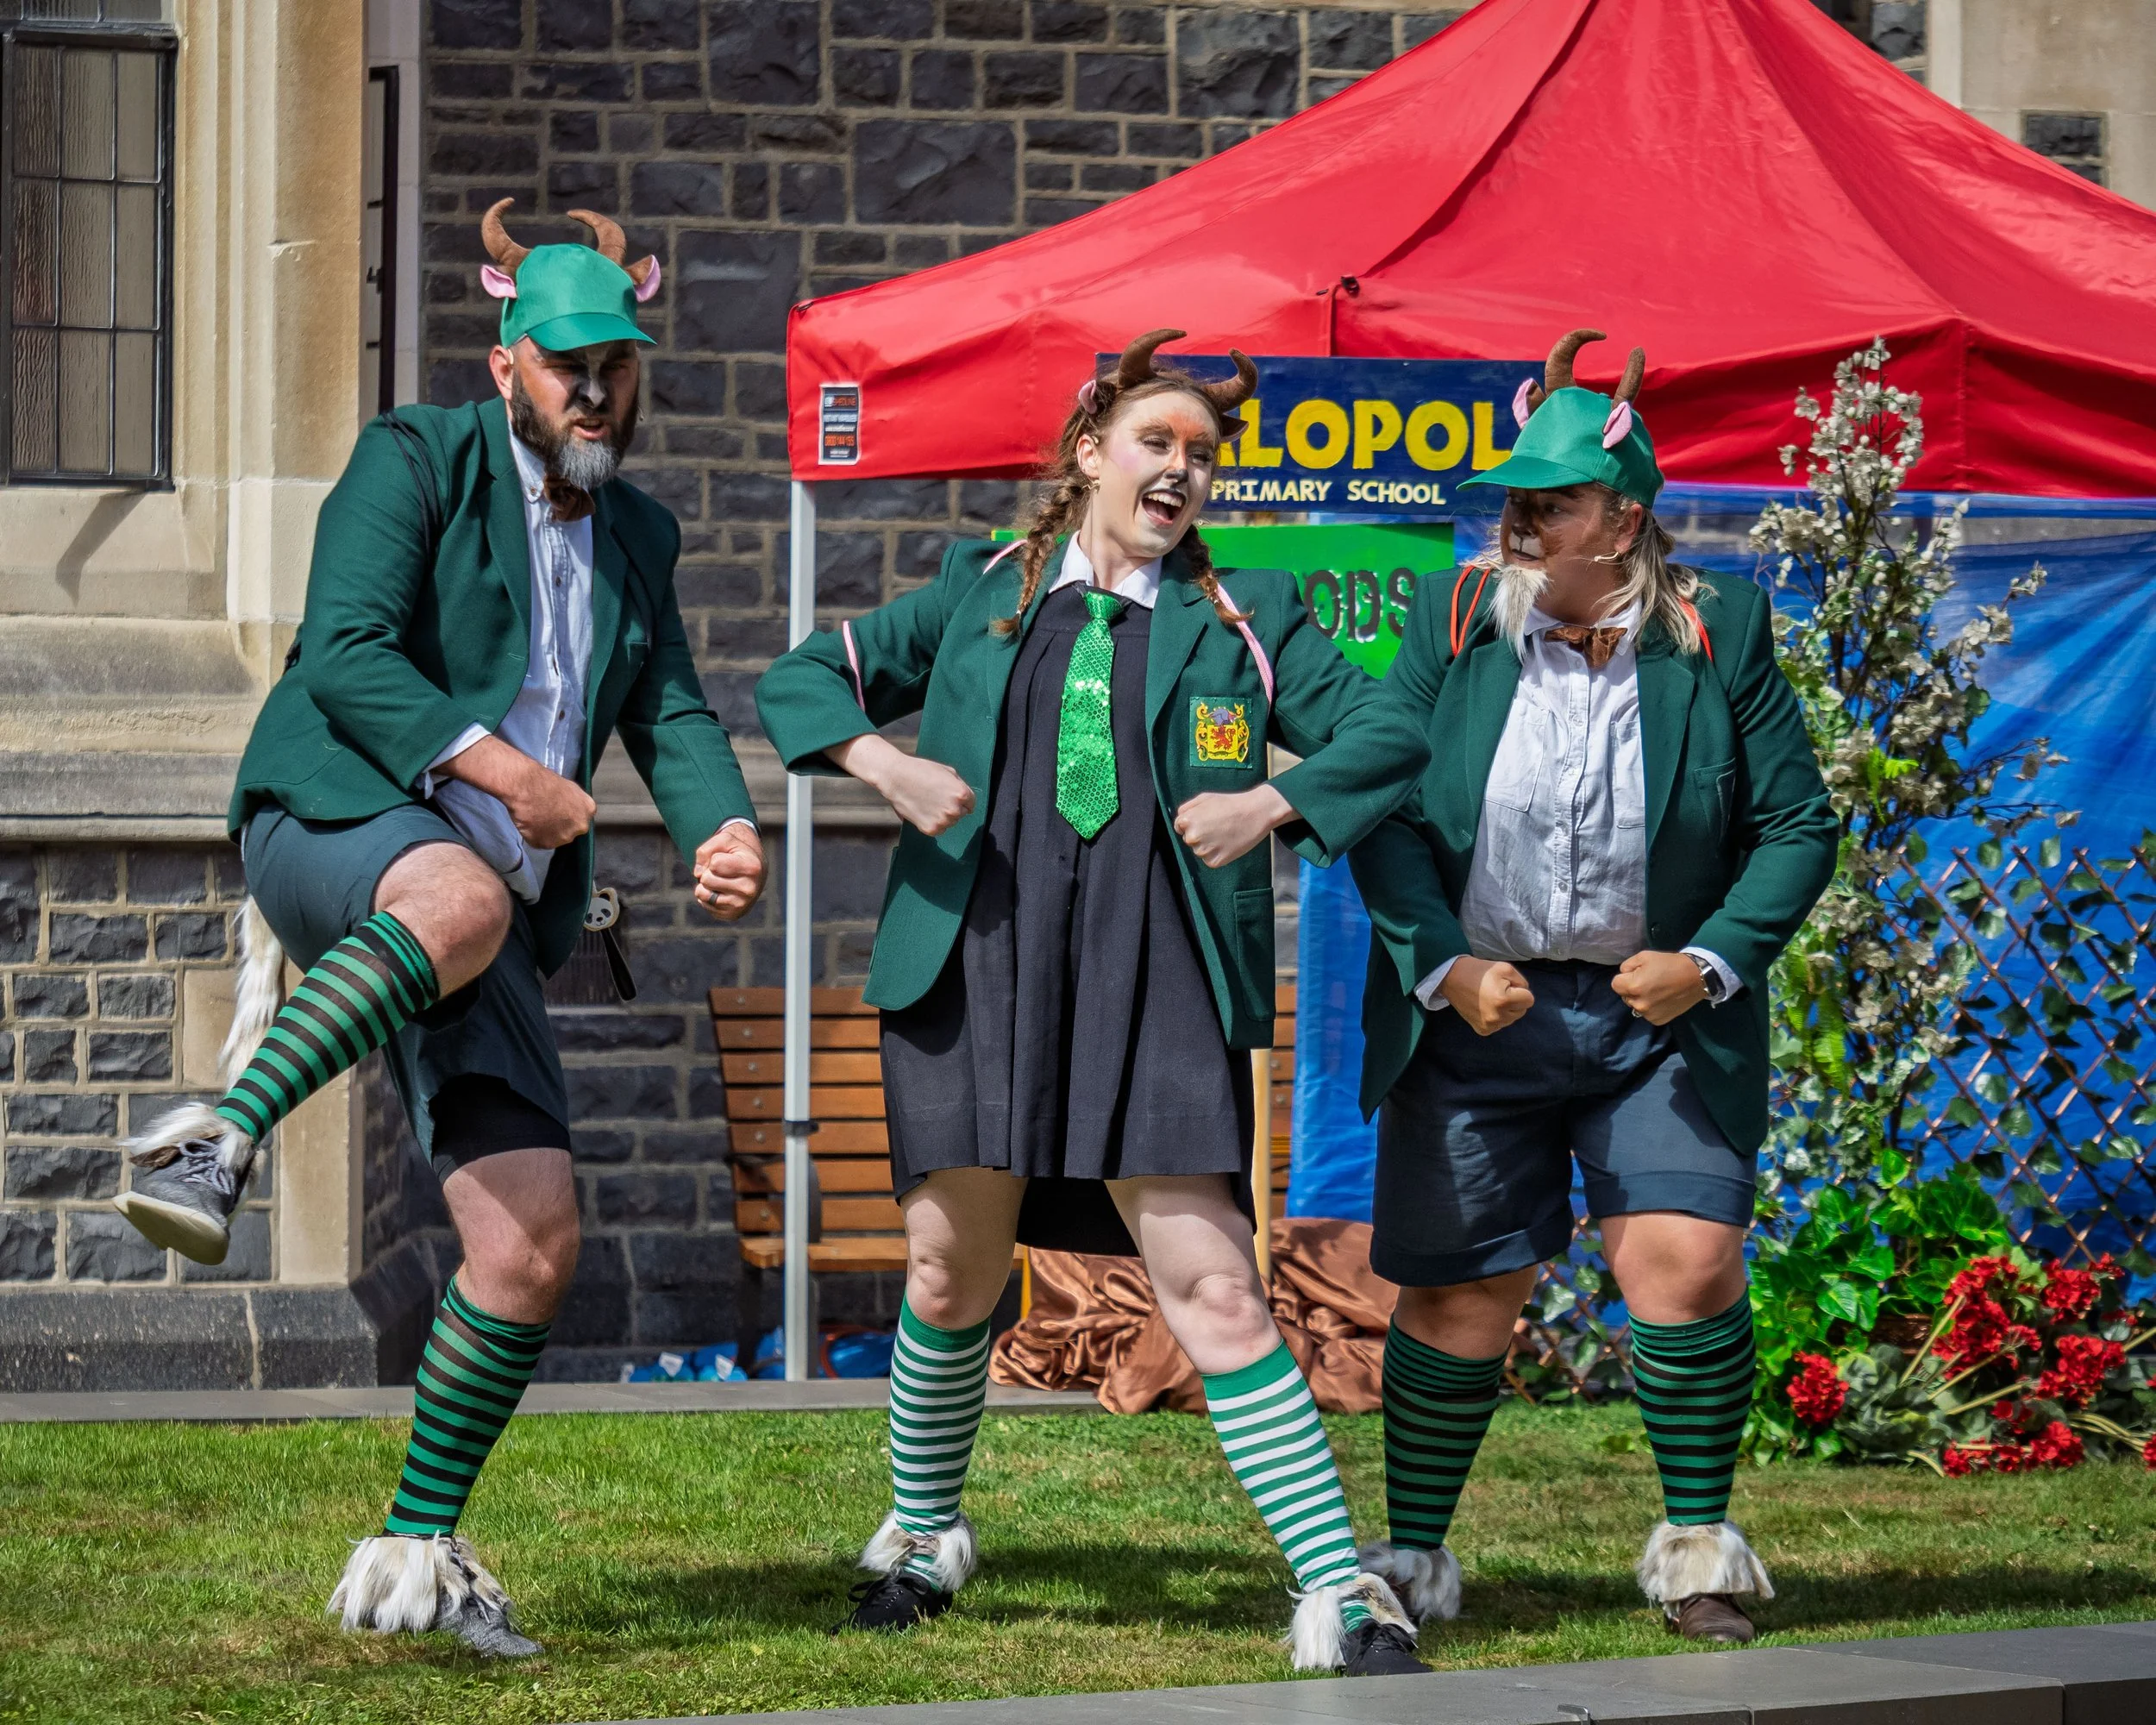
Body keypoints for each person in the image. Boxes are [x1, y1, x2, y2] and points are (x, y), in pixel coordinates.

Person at [111, 203, 767, 1658]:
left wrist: (723, 824)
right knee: (460, 894)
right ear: (506, 364)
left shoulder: (640, 533)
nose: (595, 389)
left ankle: (415, 1556)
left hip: (489, 903)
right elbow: (342, 654)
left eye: (617, 365)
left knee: (531, 1243)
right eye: (567, 364)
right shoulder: (417, 456)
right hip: (336, 811)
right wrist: (504, 771)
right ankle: (221, 1131)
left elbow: (666, 707)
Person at [756, 331, 1432, 1674]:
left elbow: (1388, 730)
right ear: (1088, 456)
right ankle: (919, 1535)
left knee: (1216, 1290)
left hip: (1160, 985)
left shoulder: (1247, 620)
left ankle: (1343, 1601)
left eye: (1202, 456)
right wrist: (887, 769)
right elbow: (802, 678)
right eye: (1157, 444)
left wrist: (1272, 799)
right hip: (975, 972)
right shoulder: (978, 587)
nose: (1182, 472)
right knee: (952, 1274)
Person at [1347, 332, 1837, 1645]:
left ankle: (1696, 1553)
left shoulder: (1715, 629)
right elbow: (1379, 805)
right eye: (1511, 494)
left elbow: (1796, 823)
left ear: (1623, 517)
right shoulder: (1452, 618)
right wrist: (1445, 964)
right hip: (1479, 1014)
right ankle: (1416, 1558)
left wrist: (1711, 960)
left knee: (1684, 1261)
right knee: (1459, 1293)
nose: (1517, 516)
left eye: (1549, 498)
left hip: (1658, 1018)